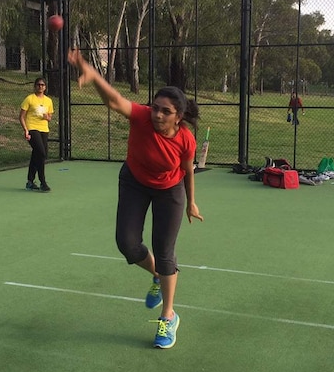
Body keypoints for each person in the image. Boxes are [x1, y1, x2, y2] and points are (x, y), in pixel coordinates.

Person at [67, 48, 204, 349]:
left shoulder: (186, 139)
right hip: (135, 181)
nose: (157, 114)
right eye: (155, 108)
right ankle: (156, 275)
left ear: (178, 117)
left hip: (170, 189)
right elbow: (115, 100)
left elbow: (187, 171)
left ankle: (168, 317)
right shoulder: (142, 117)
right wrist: (91, 74)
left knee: (165, 251)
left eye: (165, 111)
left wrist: (191, 202)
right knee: (127, 243)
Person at [19, 77, 54, 191]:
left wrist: (47, 117)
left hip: (44, 129)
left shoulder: (48, 101)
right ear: (35, 86)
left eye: (42, 85)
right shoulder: (30, 99)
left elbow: (50, 118)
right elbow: (21, 116)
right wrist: (26, 130)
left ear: (45, 87)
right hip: (32, 129)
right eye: (38, 85)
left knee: (37, 154)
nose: (40, 87)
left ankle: (30, 181)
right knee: (42, 154)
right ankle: (43, 182)